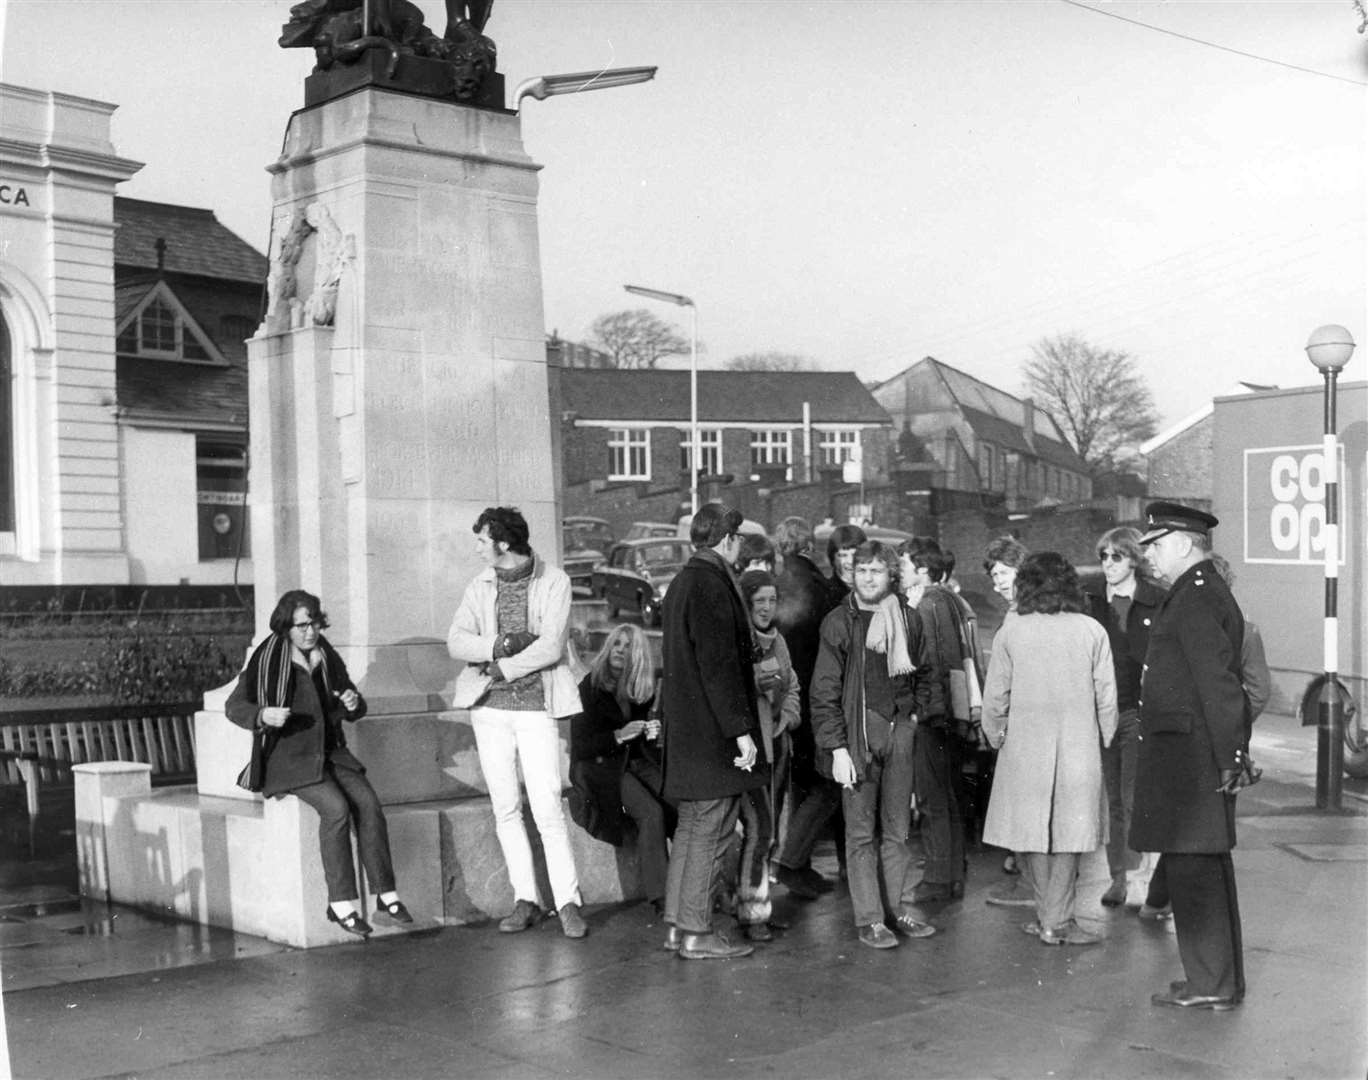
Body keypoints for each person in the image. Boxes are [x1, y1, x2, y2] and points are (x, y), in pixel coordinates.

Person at [227, 589, 411, 938]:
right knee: (337, 809)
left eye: (314, 623)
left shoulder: (325, 655)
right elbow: (235, 706)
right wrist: (263, 714)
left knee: (369, 805)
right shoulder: (266, 659)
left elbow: (352, 705)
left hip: (331, 753)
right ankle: (341, 904)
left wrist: (353, 701)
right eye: (302, 626)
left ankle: (387, 895)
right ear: (286, 628)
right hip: (289, 760)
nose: (310, 632)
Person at [447, 507, 588, 939]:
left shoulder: (555, 581)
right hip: (489, 710)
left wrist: (500, 667)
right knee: (505, 807)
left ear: (503, 543)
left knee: (547, 808)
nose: (476, 548)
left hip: (536, 708)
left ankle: (568, 903)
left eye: (481, 540)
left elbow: (550, 647)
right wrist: (502, 644)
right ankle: (525, 899)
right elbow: (456, 640)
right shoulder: (480, 585)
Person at [1131, 501, 1248, 1011]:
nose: (1149, 555)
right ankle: (1215, 980)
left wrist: (1231, 757)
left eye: (1155, 545)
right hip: (1195, 755)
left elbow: (1217, 684)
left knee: (1195, 873)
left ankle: (1210, 984)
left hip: (1191, 760)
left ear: (1182, 542)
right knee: (1201, 870)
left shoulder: (1194, 598)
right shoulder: (1196, 592)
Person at [980, 552, 1118, 947]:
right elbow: (1106, 696)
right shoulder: (1092, 630)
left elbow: (995, 698)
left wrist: (995, 736)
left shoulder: (1011, 631)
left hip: (1024, 746)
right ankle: (1057, 922)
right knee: (1071, 838)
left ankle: (1049, 917)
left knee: (1030, 835)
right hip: (1079, 746)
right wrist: (1105, 736)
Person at [811, 541, 937, 949]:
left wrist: (913, 717)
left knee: (898, 832)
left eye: (876, 571)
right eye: (861, 570)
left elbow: (924, 673)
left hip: (898, 733)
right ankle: (870, 919)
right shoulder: (838, 622)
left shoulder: (909, 619)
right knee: (861, 833)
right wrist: (838, 750)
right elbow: (824, 692)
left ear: (890, 577)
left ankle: (897, 909)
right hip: (857, 740)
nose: (867, 577)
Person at [659, 502, 769, 960]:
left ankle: (676, 925)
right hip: (712, 735)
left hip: (687, 730)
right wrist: (742, 731)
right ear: (727, 540)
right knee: (713, 829)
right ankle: (697, 933)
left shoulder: (683, 582)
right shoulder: (711, 584)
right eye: (739, 537)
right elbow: (719, 666)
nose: (741, 544)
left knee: (691, 829)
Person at [1137, 550, 1270, 924]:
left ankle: (1158, 900)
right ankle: (1158, 899)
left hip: (1206, 745)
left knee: (1193, 838)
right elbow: (1253, 692)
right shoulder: (1230, 621)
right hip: (1214, 741)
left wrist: (1229, 731)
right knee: (1194, 836)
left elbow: (1252, 692)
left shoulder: (1221, 622)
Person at [1083, 527, 1166, 908]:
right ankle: (1119, 877)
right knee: (1113, 799)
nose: (1108, 565)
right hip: (1104, 711)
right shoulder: (1092, 605)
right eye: (1104, 557)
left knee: (1133, 797)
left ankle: (1137, 879)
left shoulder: (1156, 601)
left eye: (1116, 556)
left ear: (1133, 558)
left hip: (1139, 710)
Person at [898, 537, 978, 903]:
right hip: (951, 714)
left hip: (931, 716)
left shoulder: (925, 606)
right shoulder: (949, 600)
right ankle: (952, 871)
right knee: (948, 794)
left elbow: (929, 667)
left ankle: (936, 878)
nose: (899, 572)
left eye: (904, 566)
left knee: (932, 798)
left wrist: (920, 712)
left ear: (922, 570)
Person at [571, 624, 670, 913]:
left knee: (681, 803)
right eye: (617, 644)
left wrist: (653, 735)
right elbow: (581, 747)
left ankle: (704, 887)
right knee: (652, 813)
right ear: (608, 648)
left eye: (628, 647)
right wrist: (618, 735)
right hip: (600, 768)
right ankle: (662, 897)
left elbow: (646, 749)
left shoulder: (642, 690)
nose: (620, 651)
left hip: (634, 762)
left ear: (637, 656)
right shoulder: (590, 687)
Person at [771, 516, 842, 899]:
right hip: (815, 698)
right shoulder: (816, 586)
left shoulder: (777, 583)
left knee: (801, 784)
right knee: (826, 784)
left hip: (785, 699)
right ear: (809, 545)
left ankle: (796, 864)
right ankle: (791, 861)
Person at [729, 570, 801, 941]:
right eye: (760, 601)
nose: (767, 608)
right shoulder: (737, 642)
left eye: (772, 601)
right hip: (749, 751)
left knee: (770, 832)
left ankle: (758, 907)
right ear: (746, 603)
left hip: (777, 748)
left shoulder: (779, 642)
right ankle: (751, 914)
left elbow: (792, 686)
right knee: (759, 830)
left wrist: (787, 717)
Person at [981, 535, 1033, 902]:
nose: (997, 581)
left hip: (1023, 725)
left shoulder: (1022, 615)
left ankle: (1033, 886)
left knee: (1026, 806)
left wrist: (994, 727)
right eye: (993, 575)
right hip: (1023, 723)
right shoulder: (1017, 612)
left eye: (1003, 572)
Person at [824, 523, 868, 607]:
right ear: (833, 559)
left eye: (855, 555)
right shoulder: (825, 594)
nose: (850, 561)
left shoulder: (875, 591)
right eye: (843, 555)